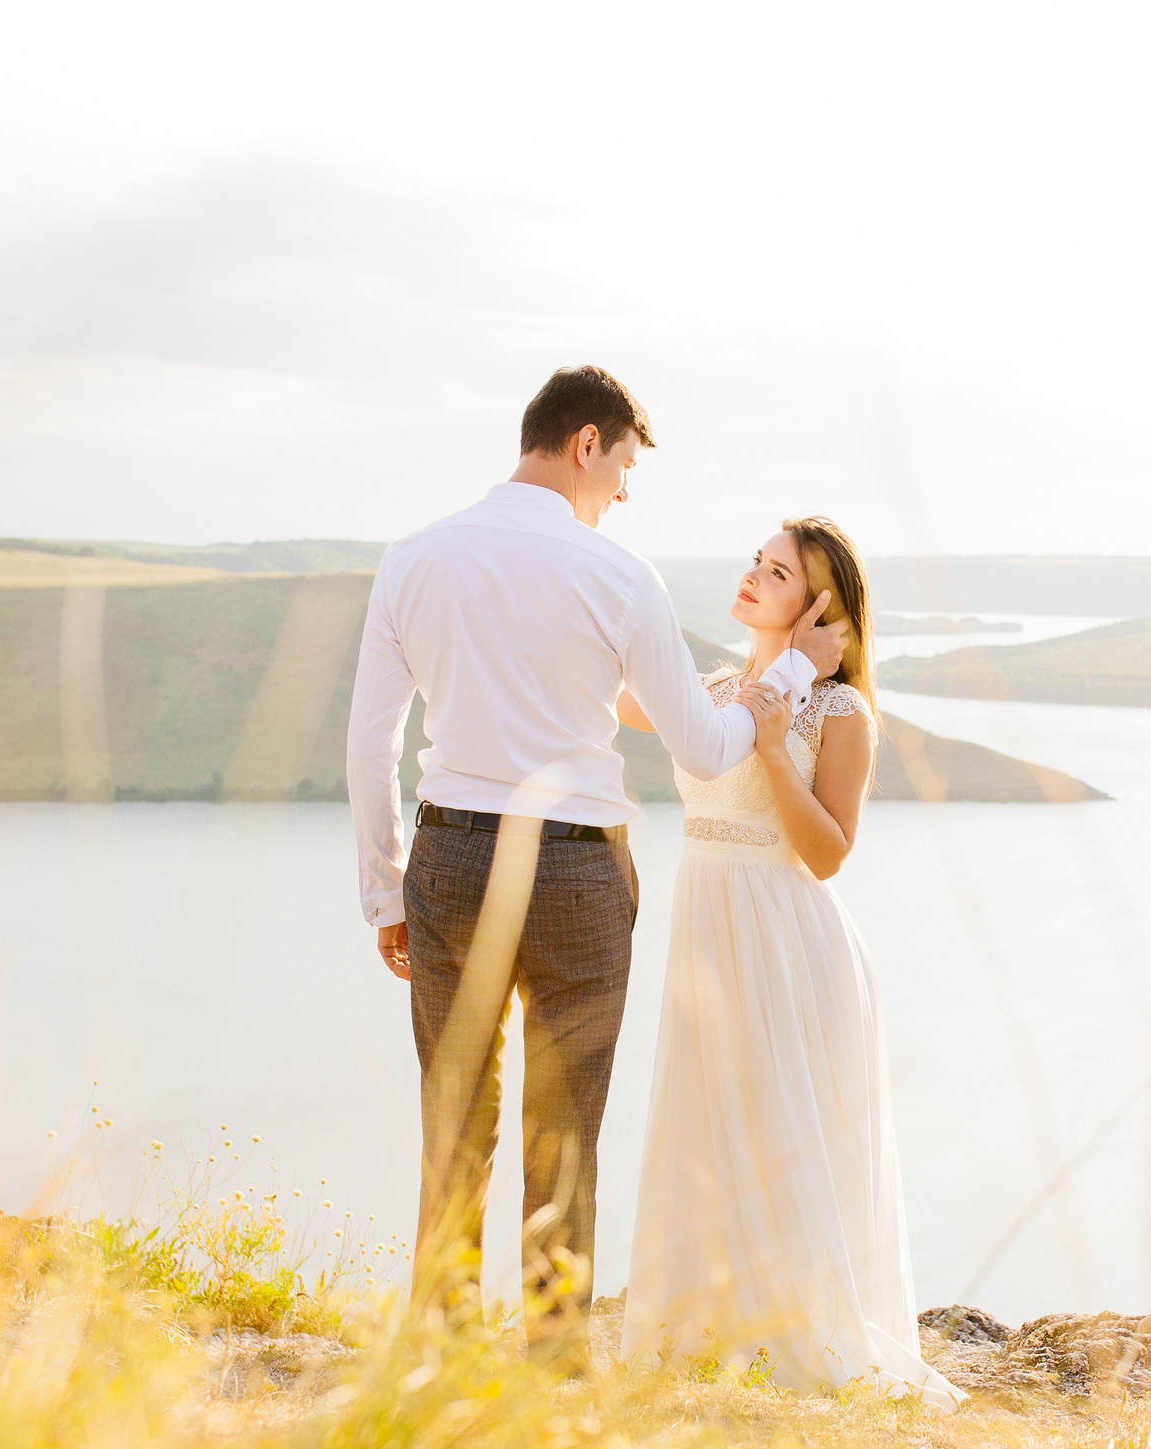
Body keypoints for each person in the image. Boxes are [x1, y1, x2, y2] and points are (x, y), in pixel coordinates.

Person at [346, 366, 843, 1347]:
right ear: (585, 443)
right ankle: (554, 1363)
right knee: (563, 1135)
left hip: (448, 857)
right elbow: (703, 745)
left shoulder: (412, 558)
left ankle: (435, 1348)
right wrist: (786, 675)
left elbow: (371, 744)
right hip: (576, 871)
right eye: (621, 465)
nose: (622, 491)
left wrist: (383, 892)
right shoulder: (620, 576)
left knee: (454, 1121)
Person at [619, 517, 964, 1410]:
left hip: (786, 945)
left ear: (815, 608)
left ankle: (792, 1341)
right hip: (709, 935)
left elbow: (829, 852)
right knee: (707, 1125)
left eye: (775, 573)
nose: (751, 576)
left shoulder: (840, 711)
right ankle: (705, 1334)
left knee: (780, 1141)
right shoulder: (712, 688)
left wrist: (774, 746)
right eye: (757, 561)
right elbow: (600, 690)